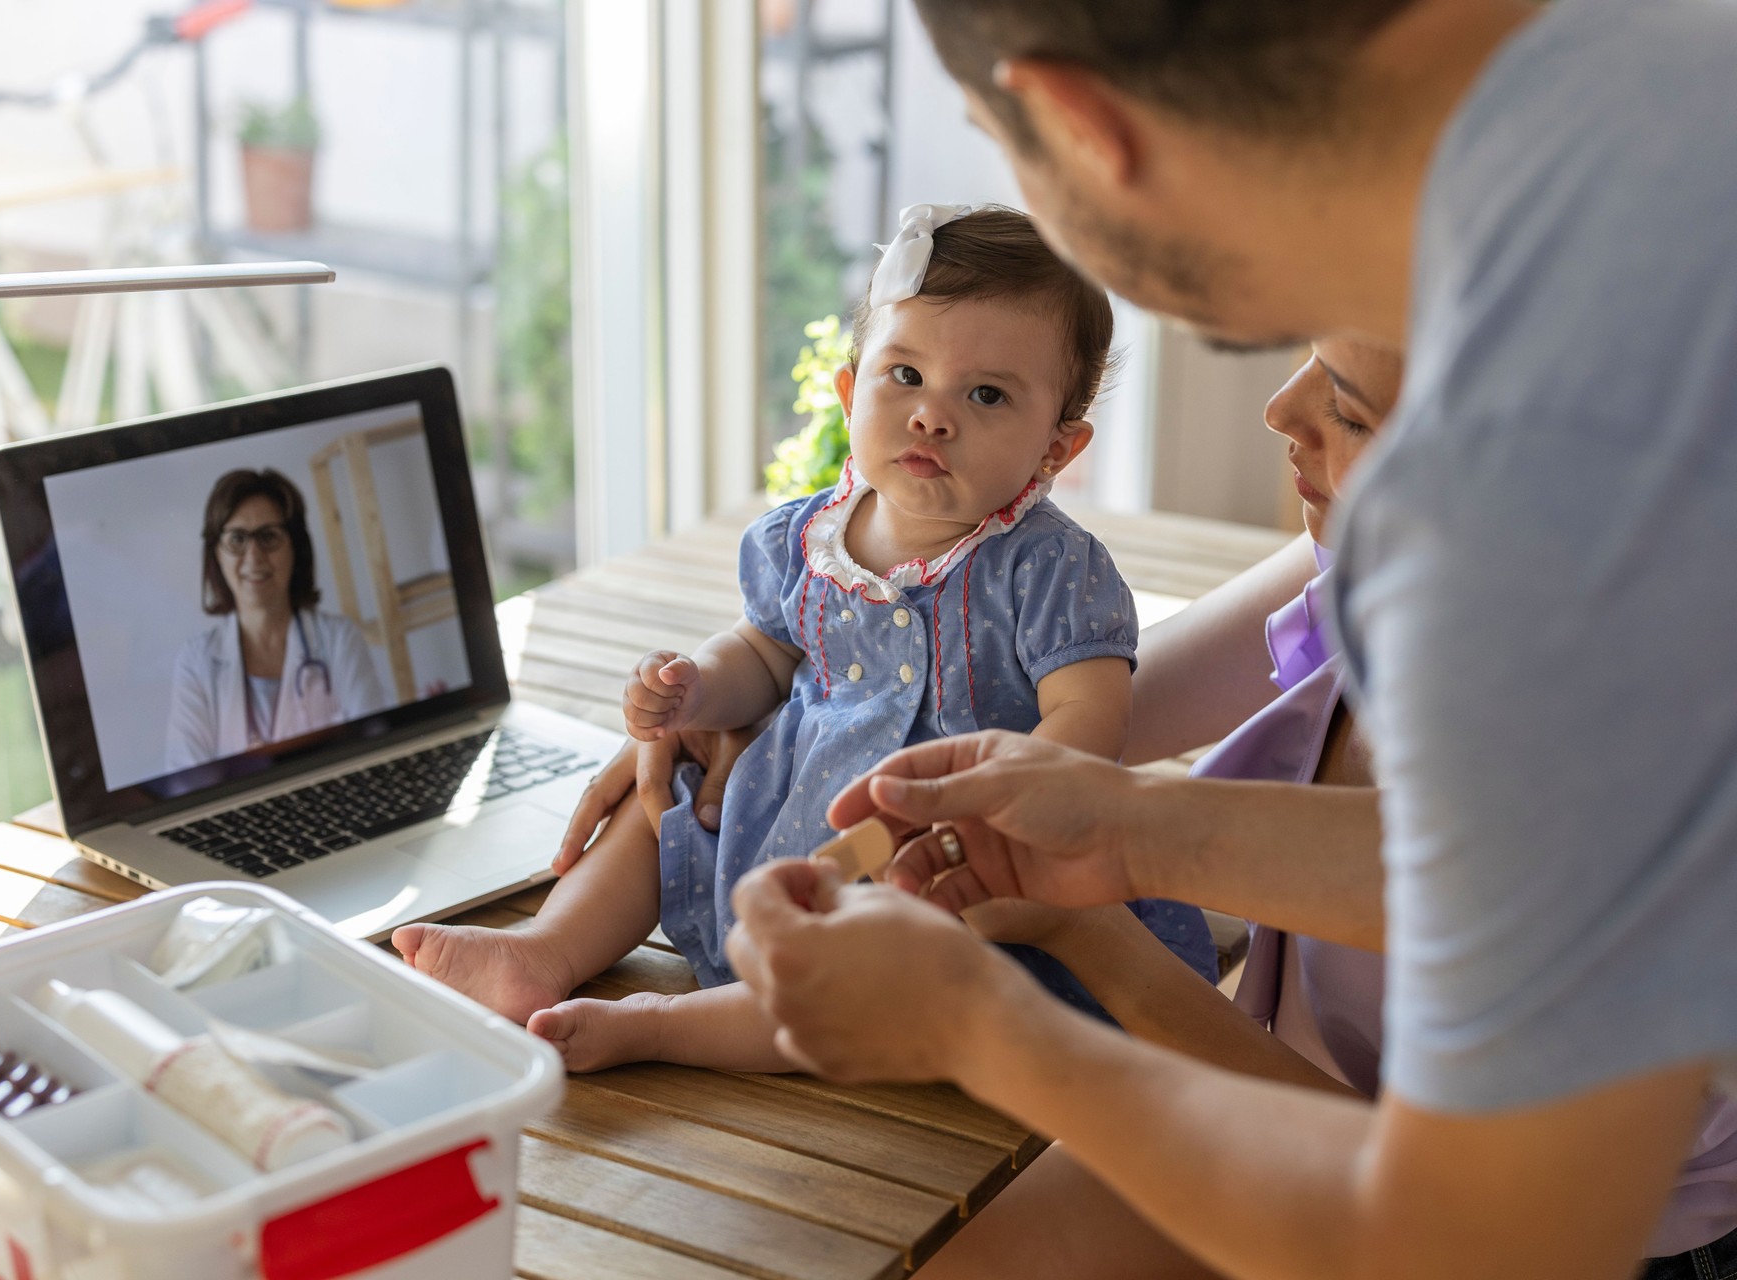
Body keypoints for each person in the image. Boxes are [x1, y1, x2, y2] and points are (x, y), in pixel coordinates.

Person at [722, 2, 1737, 1277]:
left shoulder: (1542, 476)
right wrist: (1112, 823)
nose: (1293, 413)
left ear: (1080, 129)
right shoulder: (1676, 99)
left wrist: (983, 1029)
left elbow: (1470, 1247)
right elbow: (1575, 860)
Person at [393, 206, 1214, 1071]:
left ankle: (665, 1029)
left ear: (1058, 447)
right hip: (781, 810)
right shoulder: (811, 536)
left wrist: (997, 812)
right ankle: (544, 950)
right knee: (663, 794)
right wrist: (696, 686)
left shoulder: (1049, 568)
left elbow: (1088, 717)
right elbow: (765, 652)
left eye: (986, 394)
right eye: (906, 374)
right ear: (850, 390)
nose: (933, 416)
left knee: (886, 981)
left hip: (943, 860)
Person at [164, 468, 386, 774]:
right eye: (237, 539)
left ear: (295, 548)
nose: (254, 556)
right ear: (216, 553)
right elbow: (187, 785)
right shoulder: (195, 662)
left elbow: (377, 750)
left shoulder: (339, 639)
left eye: (269, 537)